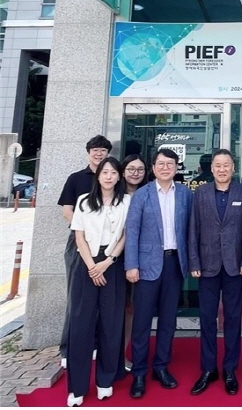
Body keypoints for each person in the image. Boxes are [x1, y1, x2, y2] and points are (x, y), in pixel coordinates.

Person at [124, 148, 193, 399]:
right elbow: (132, 231)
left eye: (170, 164)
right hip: (145, 266)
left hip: (174, 264)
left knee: (168, 320)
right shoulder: (142, 195)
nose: (166, 168)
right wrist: (131, 265)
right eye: (161, 164)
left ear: (176, 167)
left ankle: (161, 367)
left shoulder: (185, 194)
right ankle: (139, 372)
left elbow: (191, 229)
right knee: (142, 321)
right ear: (153, 168)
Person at [66, 157, 130, 407]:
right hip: (86, 264)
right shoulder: (84, 201)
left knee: (111, 324)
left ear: (119, 176)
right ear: (98, 175)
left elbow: (125, 235)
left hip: (112, 264)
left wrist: (108, 261)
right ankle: (77, 387)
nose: (109, 177)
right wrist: (93, 266)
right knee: (80, 325)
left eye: (113, 173)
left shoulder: (126, 201)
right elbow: (79, 237)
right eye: (105, 172)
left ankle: (105, 380)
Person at [188, 149, 242, 396]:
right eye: (218, 165)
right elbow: (193, 228)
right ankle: (208, 369)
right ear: (211, 168)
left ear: (233, 168)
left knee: (233, 319)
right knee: (207, 319)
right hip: (207, 265)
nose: (222, 169)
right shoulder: (200, 193)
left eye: (226, 165)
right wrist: (194, 262)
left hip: (235, 265)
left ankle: (230, 369)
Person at [57, 134, 112, 367]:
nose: (99, 154)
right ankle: (67, 350)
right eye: (95, 150)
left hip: (107, 244)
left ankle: (96, 345)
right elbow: (67, 211)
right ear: (88, 152)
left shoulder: (112, 178)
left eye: (103, 150)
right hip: (79, 241)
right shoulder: (76, 178)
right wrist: (85, 230)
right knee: (77, 297)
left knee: (103, 298)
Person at [121, 154, 148, 372]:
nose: (135, 173)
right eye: (131, 169)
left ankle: (122, 354)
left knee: (130, 308)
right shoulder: (113, 193)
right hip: (111, 257)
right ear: (123, 171)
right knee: (113, 308)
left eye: (140, 169)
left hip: (138, 258)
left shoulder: (148, 193)